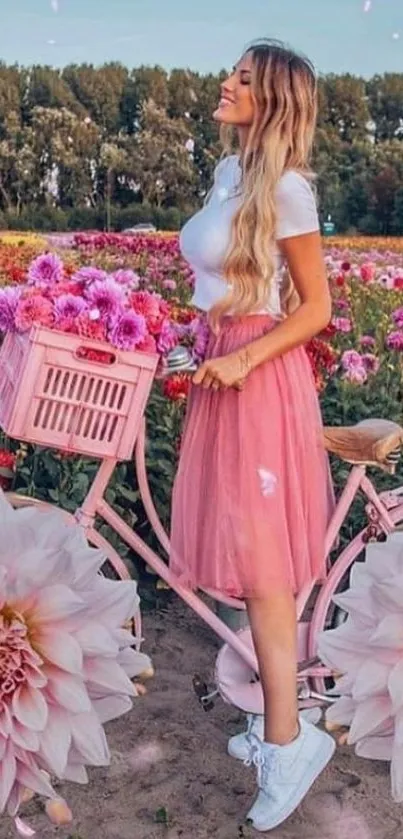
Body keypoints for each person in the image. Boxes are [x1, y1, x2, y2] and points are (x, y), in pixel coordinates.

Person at [170, 38, 335, 832]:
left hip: (260, 380)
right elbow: (222, 280)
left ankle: (289, 740)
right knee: (243, 549)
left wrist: (243, 363)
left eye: (242, 78)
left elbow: (315, 310)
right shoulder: (228, 174)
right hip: (219, 366)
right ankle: (278, 722)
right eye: (230, 71)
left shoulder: (291, 190)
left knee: (266, 572)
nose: (226, 83)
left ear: (270, 100)